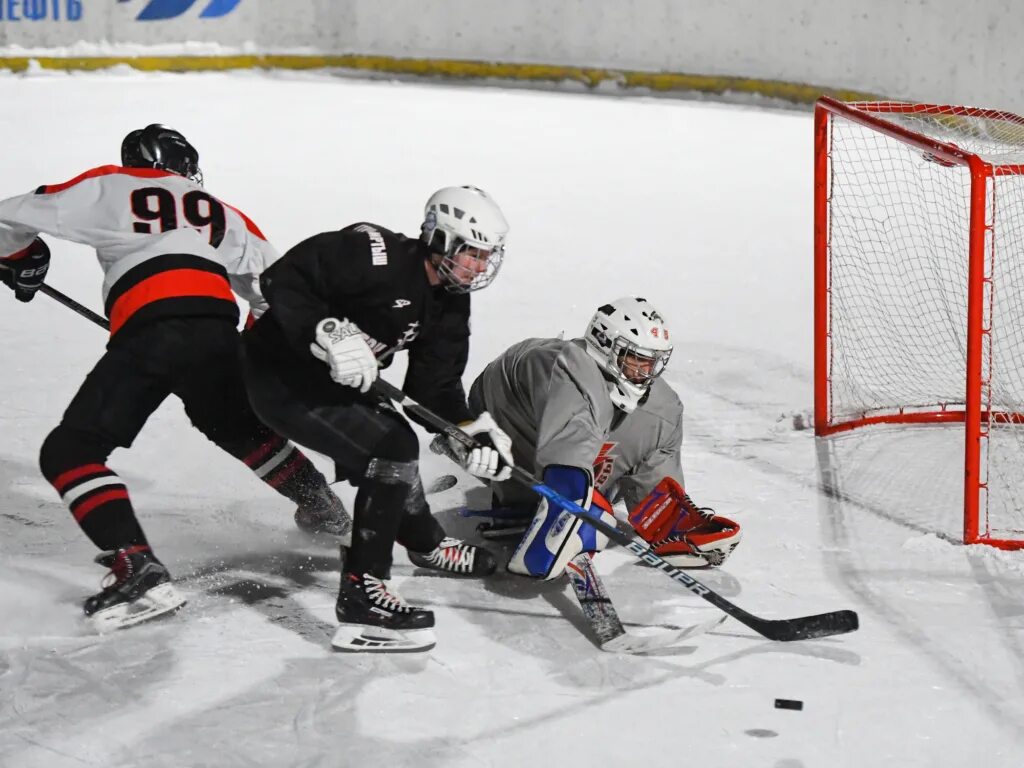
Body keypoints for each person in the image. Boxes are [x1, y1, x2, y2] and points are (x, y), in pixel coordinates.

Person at [0, 124, 350, 631]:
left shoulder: (113, 183)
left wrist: (23, 260)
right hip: (215, 326)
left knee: (70, 452)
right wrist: (249, 347)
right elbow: (276, 288)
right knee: (234, 424)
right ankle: (322, 507)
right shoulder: (220, 210)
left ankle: (137, 570)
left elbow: (9, 216)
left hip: (150, 328)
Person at [241, 185, 515, 653]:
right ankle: (363, 596)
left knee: (395, 439)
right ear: (440, 239)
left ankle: (425, 542)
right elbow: (282, 280)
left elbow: (434, 389)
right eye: (471, 252)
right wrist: (326, 331)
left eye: (486, 255)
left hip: (333, 386)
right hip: (278, 377)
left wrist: (470, 432)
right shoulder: (374, 253)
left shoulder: (450, 303)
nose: (479, 265)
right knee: (392, 447)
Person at [463, 296, 742, 579]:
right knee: (578, 386)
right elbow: (564, 421)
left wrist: (666, 519)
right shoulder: (552, 361)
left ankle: (620, 510)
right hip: (506, 435)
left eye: (652, 363)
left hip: (585, 471)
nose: (645, 373)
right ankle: (561, 498)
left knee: (658, 414)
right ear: (604, 342)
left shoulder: (663, 408)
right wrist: (569, 488)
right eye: (635, 359)